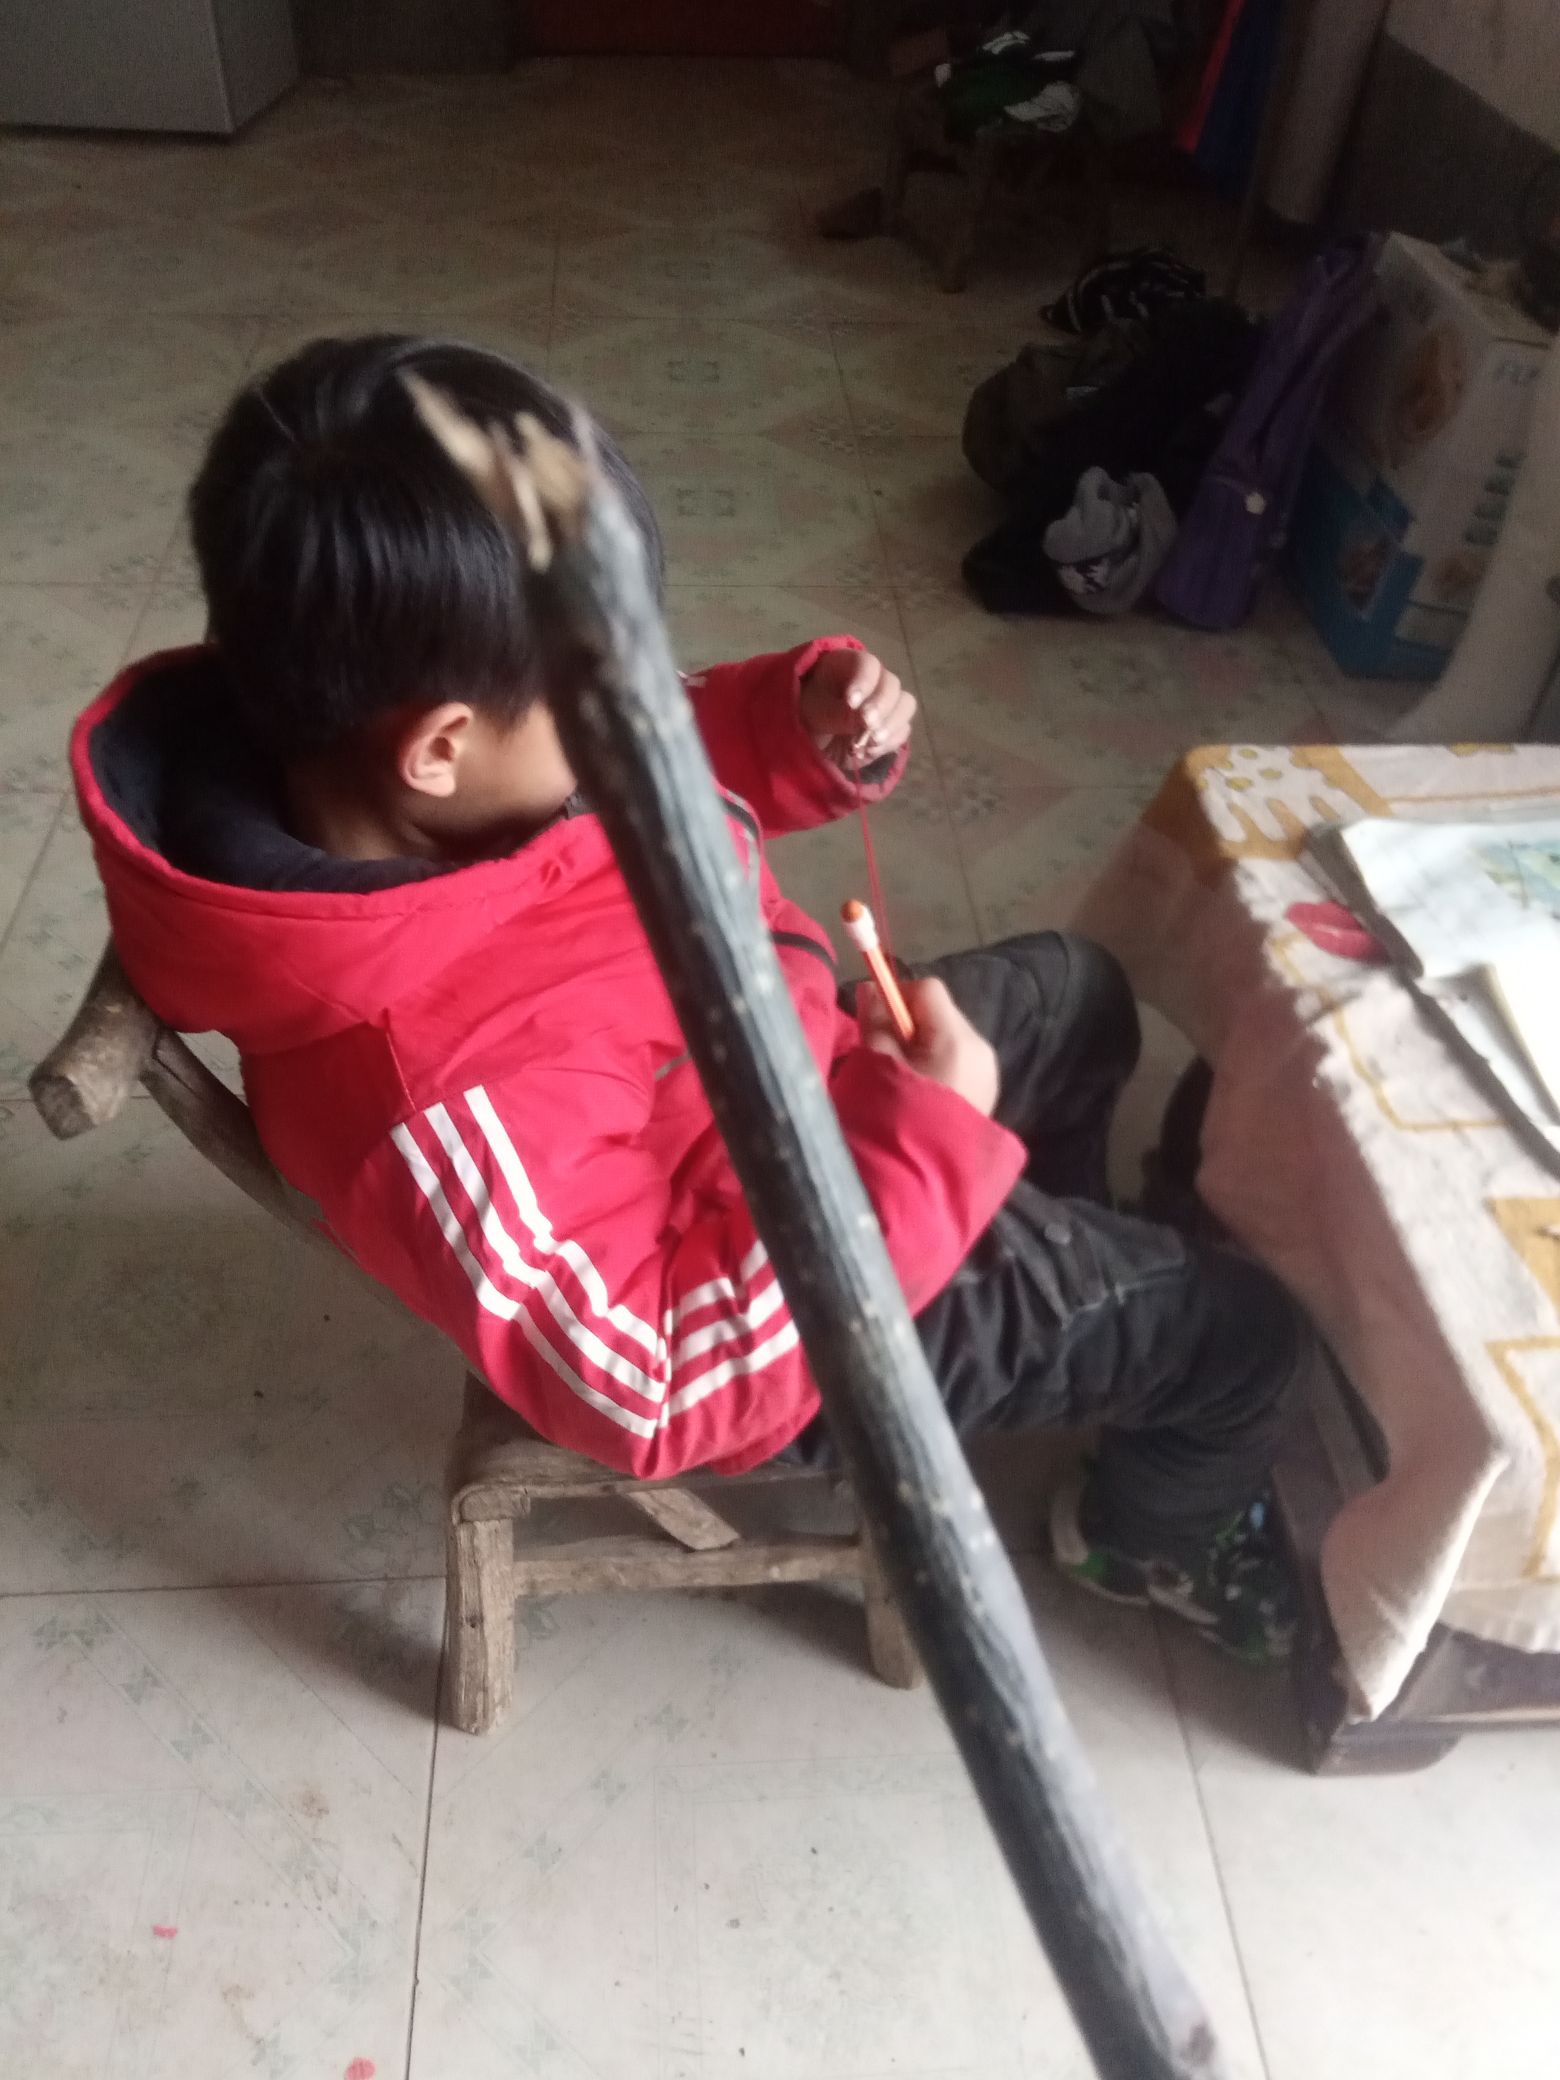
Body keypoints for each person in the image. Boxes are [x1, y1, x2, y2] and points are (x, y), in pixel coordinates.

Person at [72, 335, 1306, 1664]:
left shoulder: (418, 761)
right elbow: (656, 1385)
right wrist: (920, 1156)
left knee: (1081, 991)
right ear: (439, 747)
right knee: (1243, 1338)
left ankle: (1039, 1273)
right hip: (779, 1331)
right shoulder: (428, 1086)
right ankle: (1145, 1532)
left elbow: (646, 761)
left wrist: (791, 729)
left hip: (799, 1103)